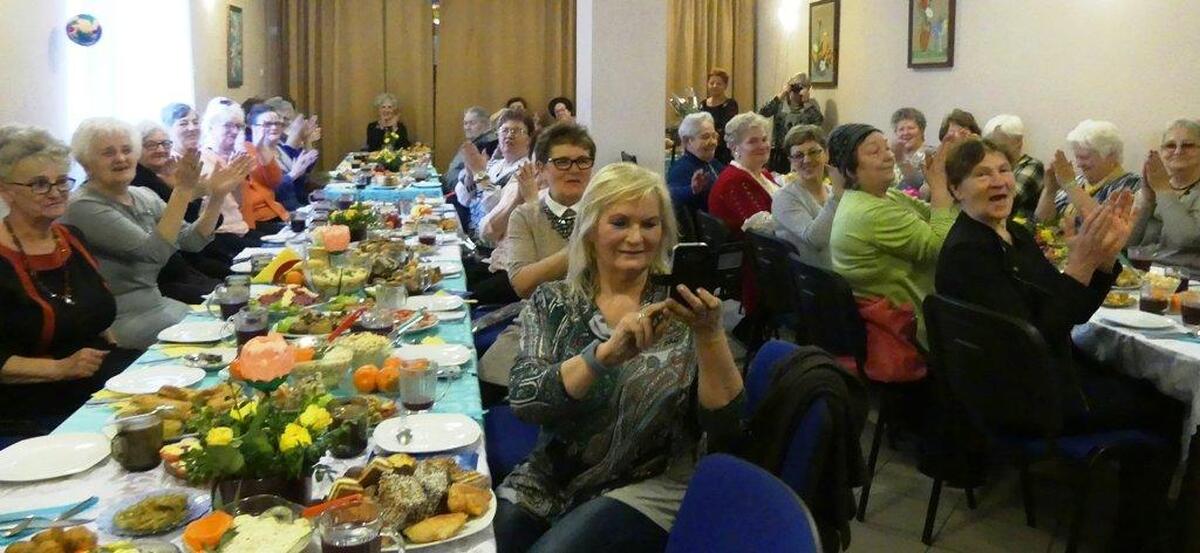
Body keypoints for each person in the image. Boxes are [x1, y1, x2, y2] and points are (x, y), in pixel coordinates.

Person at [935, 137, 1182, 552]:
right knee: (1167, 406)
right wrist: (1080, 264)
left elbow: (1069, 310)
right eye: (982, 174)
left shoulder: (1013, 235)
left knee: (1138, 380)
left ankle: (1139, 518)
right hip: (1023, 400)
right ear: (956, 189)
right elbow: (1033, 339)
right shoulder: (968, 253)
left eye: (1003, 170)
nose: (999, 181)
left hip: (1033, 379)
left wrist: (1103, 260)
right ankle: (1136, 538)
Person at [495, 162, 745, 553]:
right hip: (552, 476)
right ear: (591, 229)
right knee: (493, 540)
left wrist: (710, 335)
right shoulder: (556, 301)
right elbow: (526, 399)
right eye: (620, 222)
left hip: (648, 484)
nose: (636, 237)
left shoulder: (682, 309)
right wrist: (601, 358)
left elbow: (726, 426)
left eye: (649, 224)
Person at [0, 125, 142, 429]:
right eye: (39, 184)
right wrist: (61, 368)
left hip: (103, 380)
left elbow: (92, 309)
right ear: (5, 190)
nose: (56, 192)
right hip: (36, 405)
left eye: (62, 181)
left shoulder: (71, 237)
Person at [62, 118, 242, 349]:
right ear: (86, 162)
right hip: (123, 320)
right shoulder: (83, 205)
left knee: (238, 321)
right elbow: (153, 253)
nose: (121, 158)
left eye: (127, 150)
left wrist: (217, 196)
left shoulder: (142, 195)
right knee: (225, 337)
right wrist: (182, 191)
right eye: (108, 153)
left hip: (160, 305)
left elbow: (192, 241)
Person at [477, 123, 596, 403]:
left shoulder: (606, 213)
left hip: (597, 330)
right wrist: (581, 248)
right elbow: (523, 283)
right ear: (541, 168)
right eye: (562, 162)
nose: (574, 170)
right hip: (537, 326)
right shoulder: (526, 215)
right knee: (485, 386)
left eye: (583, 161)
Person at [828, 123, 955, 346]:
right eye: (874, 152)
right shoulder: (870, 212)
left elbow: (935, 214)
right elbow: (943, 249)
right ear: (850, 170)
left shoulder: (885, 196)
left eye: (886, 148)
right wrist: (939, 186)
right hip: (912, 331)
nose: (888, 156)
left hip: (917, 312)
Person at [133, 121, 219, 304]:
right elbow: (187, 227)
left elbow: (195, 230)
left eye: (165, 144)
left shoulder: (163, 176)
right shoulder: (139, 183)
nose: (160, 149)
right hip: (170, 272)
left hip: (192, 257)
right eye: (151, 145)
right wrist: (186, 191)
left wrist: (203, 193)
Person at [1035, 119, 1141, 227]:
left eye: (1084, 157)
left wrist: (1070, 185)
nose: (1079, 164)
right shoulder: (1077, 181)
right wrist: (1050, 190)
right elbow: (1040, 223)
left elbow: (1104, 227)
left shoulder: (1132, 185)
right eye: (1077, 157)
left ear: (1111, 156)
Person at [193, 102, 257, 272]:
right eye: (228, 125)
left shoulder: (234, 157)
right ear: (210, 127)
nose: (234, 131)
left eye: (238, 126)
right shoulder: (202, 159)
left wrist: (238, 181)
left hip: (239, 229)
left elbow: (239, 205)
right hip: (219, 235)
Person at [1129, 119, 1200, 270]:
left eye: (1188, 145)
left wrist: (1164, 191)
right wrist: (1147, 201)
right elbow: (1128, 243)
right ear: (1161, 152)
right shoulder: (1151, 188)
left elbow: (1185, 241)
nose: (1178, 151)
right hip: (1143, 276)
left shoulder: (1161, 187)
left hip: (1189, 278)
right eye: (1170, 145)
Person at [456, 108, 534, 240]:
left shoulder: (526, 170)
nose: (509, 135)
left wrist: (480, 173)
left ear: (529, 139)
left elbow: (496, 208)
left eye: (517, 131)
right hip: (473, 236)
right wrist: (470, 174)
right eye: (505, 130)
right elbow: (465, 200)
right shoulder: (496, 165)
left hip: (496, 242)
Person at [772, 125, 842, 268]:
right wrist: (837, 195)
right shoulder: (784, 198)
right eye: (798, 155)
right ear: (791, 161)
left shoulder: (830, 190)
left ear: (826, 154)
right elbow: (815, 239)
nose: (807, 160)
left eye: (813, 152)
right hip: (816, 276)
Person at [243, 104, 316, 226]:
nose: (274, 127)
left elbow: (306, 168)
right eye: (267, 124)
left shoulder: (281, 147)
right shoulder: (251, 153)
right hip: (279, 214)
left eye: (277, 123)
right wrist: (292, 175)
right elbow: (270, 191)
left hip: (298, 206)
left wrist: (307, 139)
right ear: (252, 127)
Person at [983, 114, 1044, 227]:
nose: (993, 150)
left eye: (999, 146)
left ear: (1018, 142)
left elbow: (1010, 198)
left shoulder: (1032, 165)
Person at [758, 72, 823, 173]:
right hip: (780, 153)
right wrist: (782, 94)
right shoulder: (780, 104)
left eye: (800, 88)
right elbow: (763, 113)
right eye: (794, 87)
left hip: (801, 152)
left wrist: (806, 103)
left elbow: (818, 124)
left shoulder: (810, 106)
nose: (796, 92)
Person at [666, 112, 725, 214]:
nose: (713, 142)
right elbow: (670, 195)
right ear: (687, 141)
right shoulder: (681, 169)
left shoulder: (713, 163)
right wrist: (692, 190)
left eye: (714, 136)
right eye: (705, 137)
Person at [443, 106, 499, 194]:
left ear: (486, 124)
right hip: (453, 188)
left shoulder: (490, 144)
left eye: (472, 123)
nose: (467, 127)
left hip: (464, 193)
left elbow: (482, 184)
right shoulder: (474, 141)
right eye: (465, 123)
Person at [891, 107, 937, 197]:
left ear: (921, 131)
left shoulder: (932, 154)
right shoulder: (890, 158)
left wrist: (901, 161)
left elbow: (925, 187)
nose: (905, 133)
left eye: (910, 128)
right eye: (901, 129)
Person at [700, 68, 738, 164]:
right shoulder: (702, 104)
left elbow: (728, 127)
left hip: (723, 150)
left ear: (725, 86)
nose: (714, 86)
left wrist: (713, 136)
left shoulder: (731, 104)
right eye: (711, 83)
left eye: (719, 84)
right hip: (705, 149)